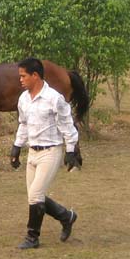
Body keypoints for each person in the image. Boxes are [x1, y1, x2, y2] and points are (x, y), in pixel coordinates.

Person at [10, 57, 79, 249]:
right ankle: (67, 216)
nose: (20, 80)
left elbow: (67, 126)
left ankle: (32, 238)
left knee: (35, 195)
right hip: (32, 152)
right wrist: (16, 147)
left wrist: (71, 150)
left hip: (51, 151)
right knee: (34, 195)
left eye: (23, 76)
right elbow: (23, 124)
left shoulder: (54, 98)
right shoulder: (23, 99)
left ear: (35, 75)